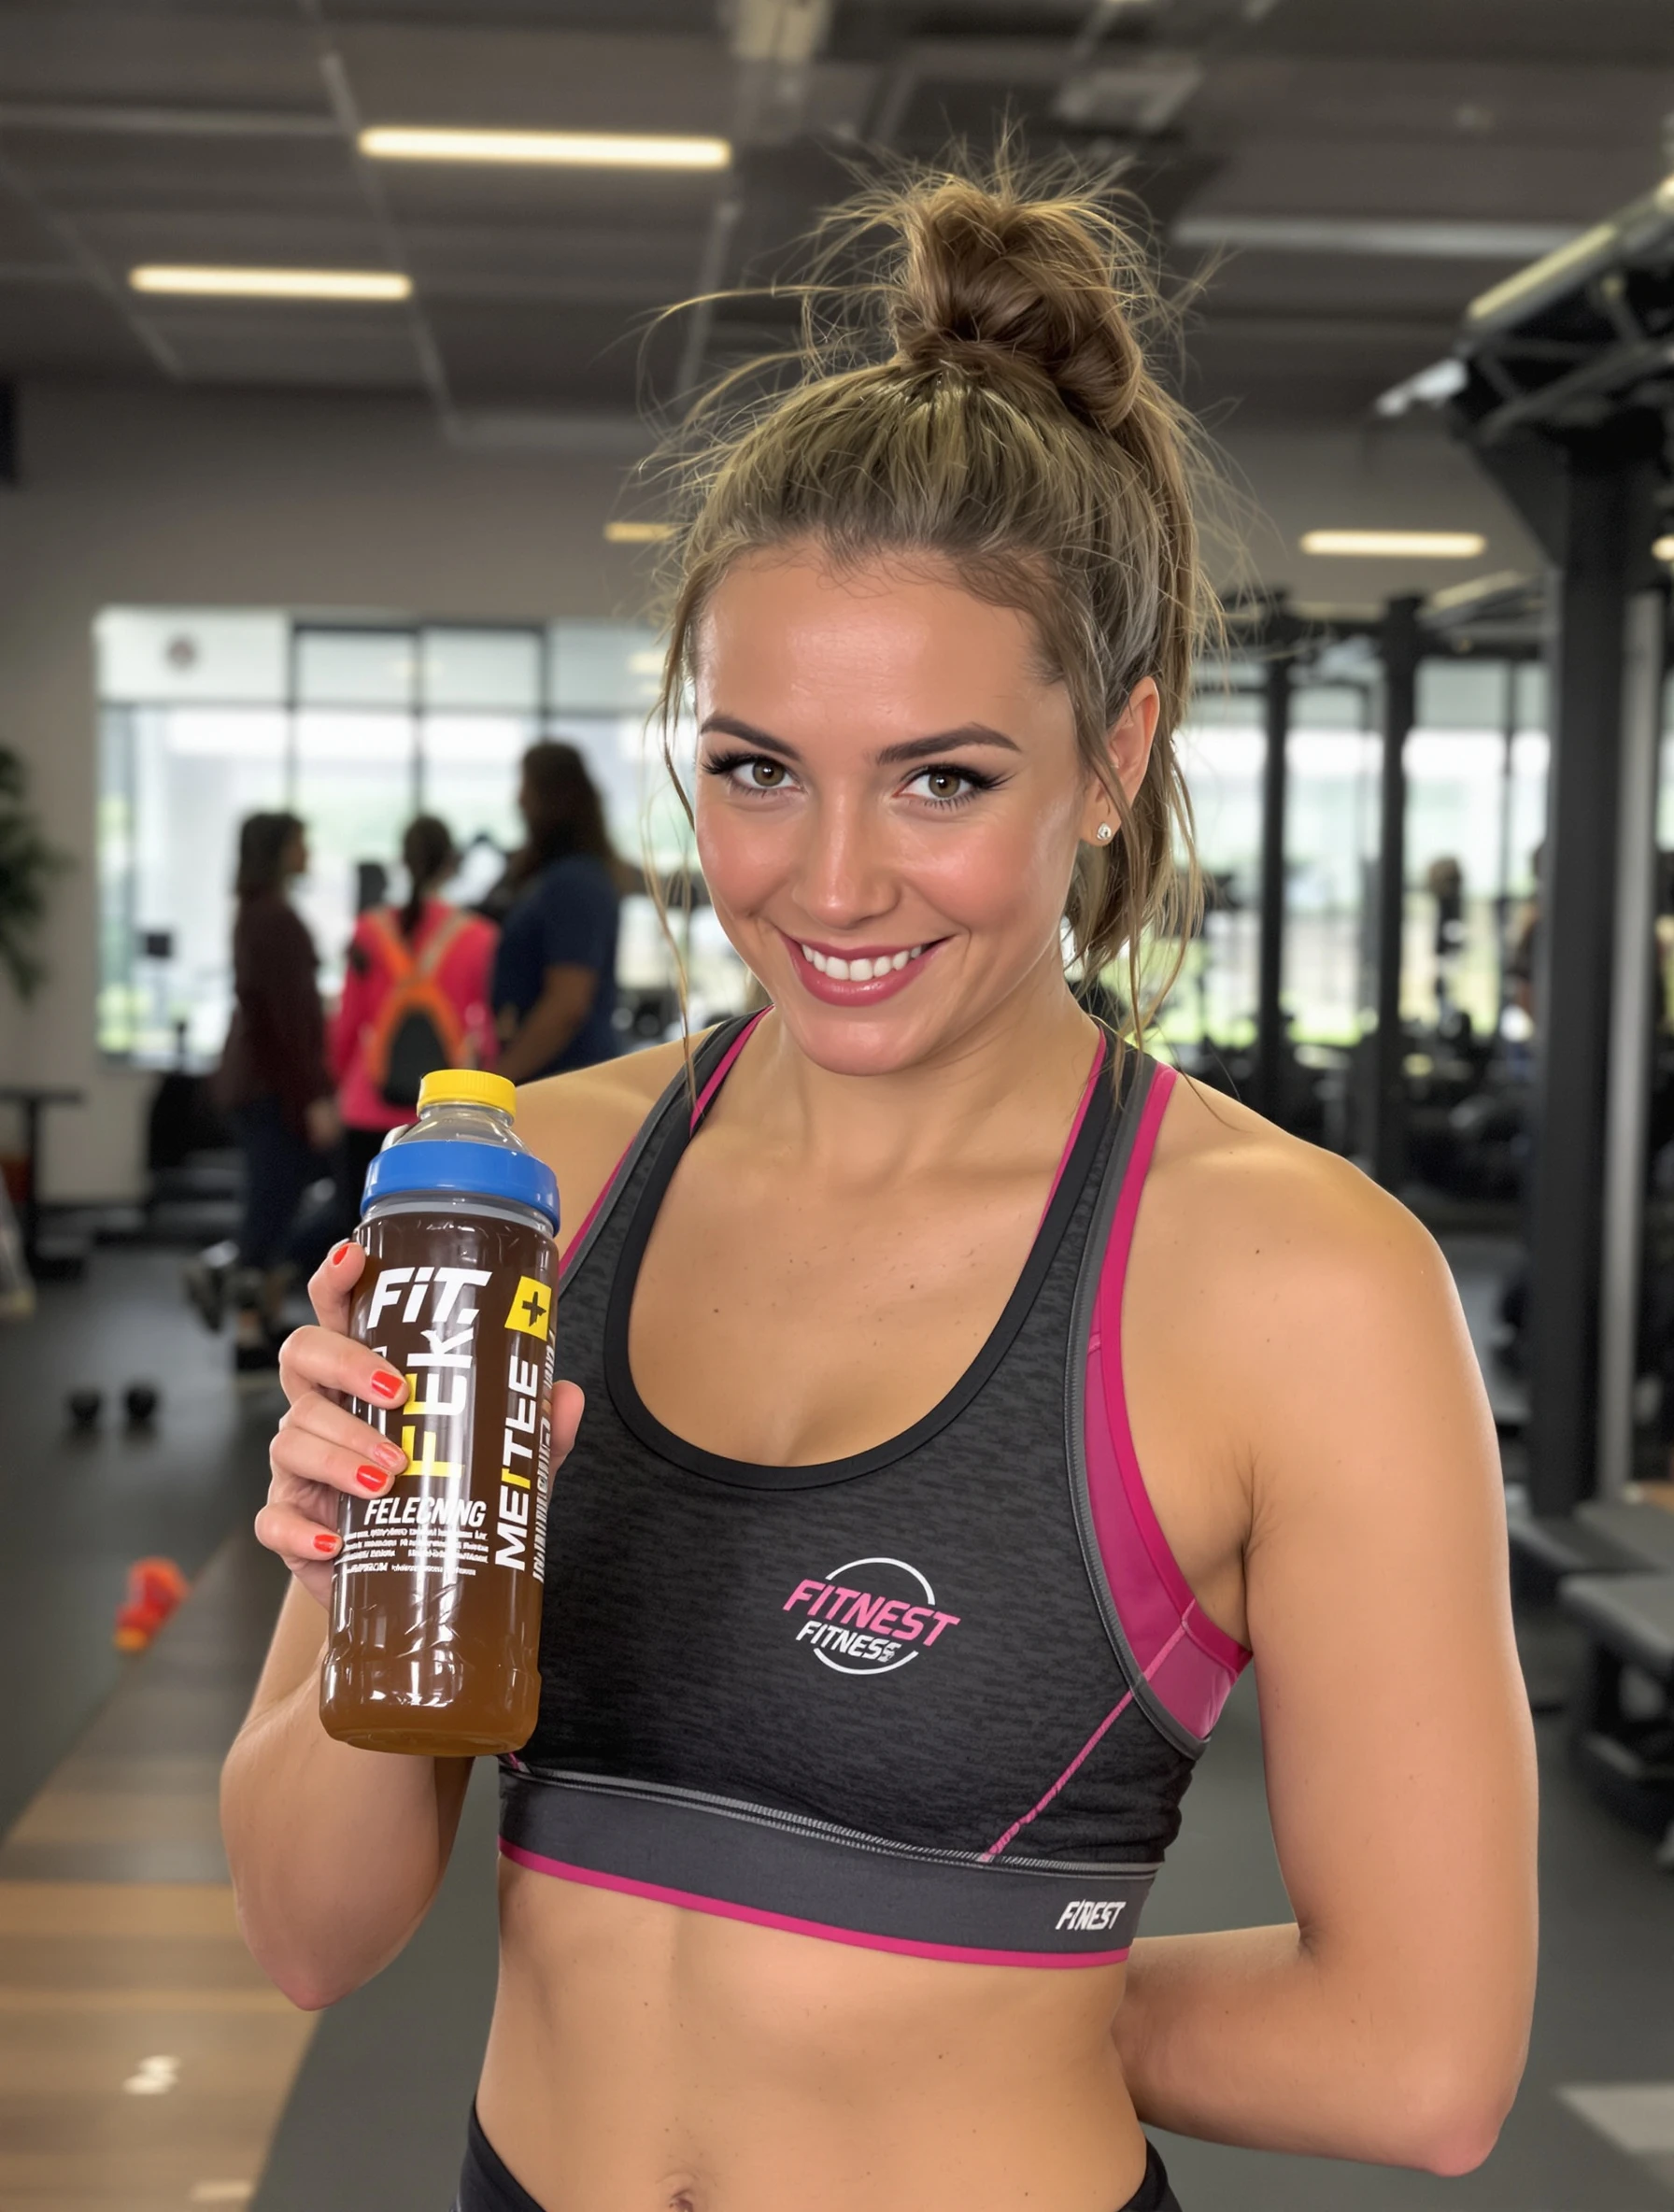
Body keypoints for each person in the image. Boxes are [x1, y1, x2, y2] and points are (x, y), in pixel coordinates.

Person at [226, 167, 1537, 2212]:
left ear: (1108, 758)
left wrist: (981, 2003)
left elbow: (1419, 2061)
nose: (827, 884)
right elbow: (311, 1930)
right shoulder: (517, 1189)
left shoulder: (1292, 1280)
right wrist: (364, 1555)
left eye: (940, 776)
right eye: (755, 767)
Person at [209, 811, 338, 1369]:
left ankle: (258, 1322)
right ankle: (246, 1336)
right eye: (301, 842)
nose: (308, 851)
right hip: (271, 1091)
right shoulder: (273, 919)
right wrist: (311, 1097)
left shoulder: (257, 914)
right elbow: (287, 1025)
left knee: (273, 1209)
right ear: (280, 850)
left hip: (261, 1087)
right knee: (265, 1217)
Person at [329, 813, 499, 1214]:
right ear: (450, 864)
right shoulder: (480, 936)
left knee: (357, 1223)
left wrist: (334, 1084)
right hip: (440, 1112)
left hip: (365, 1103)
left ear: (403, 862)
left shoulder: (368, 931)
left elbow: (347, 1023)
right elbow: (487, 1032)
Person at [489, 741, 622, 1081]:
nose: (518, 799)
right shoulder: (559, 878)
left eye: (525, 786)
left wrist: (496, 1085)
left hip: (567, 1080)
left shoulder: (574, 883)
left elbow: (567, 1005)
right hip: (558, 1077)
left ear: (551, 797)